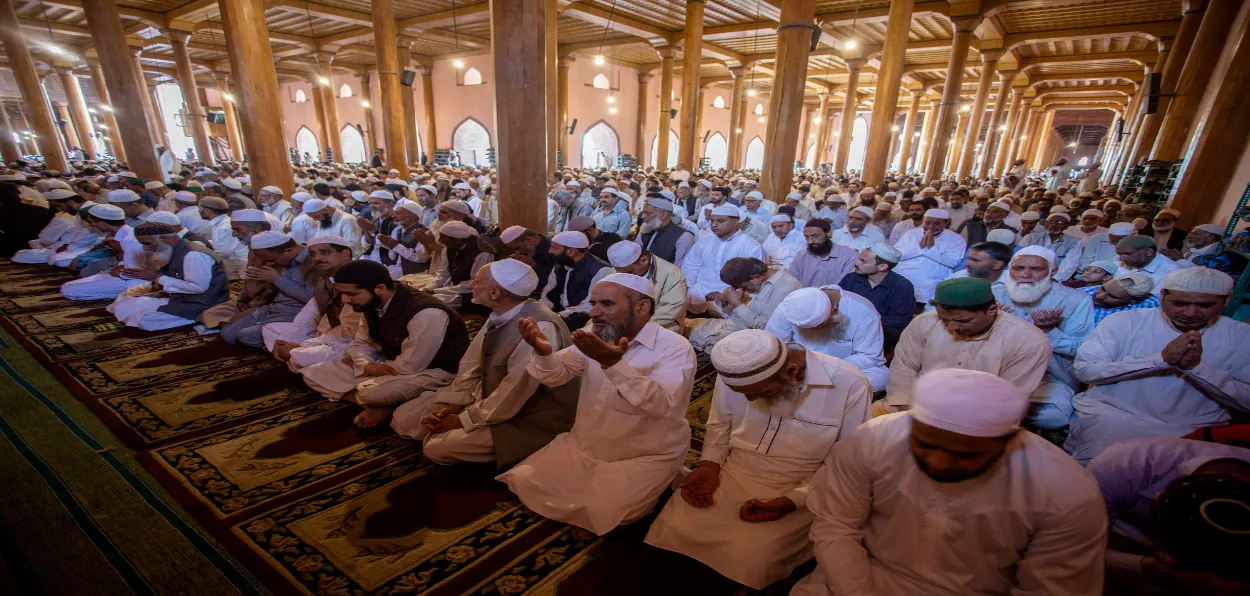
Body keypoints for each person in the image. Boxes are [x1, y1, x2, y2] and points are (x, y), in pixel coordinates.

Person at [792, 369, 1107, 596]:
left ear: (1008, 439)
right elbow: (836, 527)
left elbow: (1052, 589)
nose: (939, 462)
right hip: (861, 574)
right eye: (925, 445)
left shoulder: (1065, 492)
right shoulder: (873, 440)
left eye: (963, 454)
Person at [645, 329, 871, 589]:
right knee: (673, 528)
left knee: (750, 557)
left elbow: (843, 462)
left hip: (805, 487)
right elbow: (721, 424)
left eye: (759, 392)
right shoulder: (738, 373)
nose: (750, 399)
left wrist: (791, 501)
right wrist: (710, 465)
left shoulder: (850, 383)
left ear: (791, 372)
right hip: (733, 472)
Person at [498, 273, 697, 537]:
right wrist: (543, 352)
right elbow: (556, 376)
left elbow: (663, 406)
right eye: (593, 304)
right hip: (586, 445)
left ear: (642, 306)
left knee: (611, 513)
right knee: (523, 480)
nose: (595, 312)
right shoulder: (595, 334)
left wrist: (613, 365)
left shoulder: (675, 348)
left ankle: (662, 476)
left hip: (642, 454)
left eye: (606, 304)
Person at [391, 260, 580, 468]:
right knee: (407, 419)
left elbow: (515, 392)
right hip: (493, 399)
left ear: (494, 293)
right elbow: (473, 366)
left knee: (437, 447)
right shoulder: (500, 314)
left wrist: (463, 419)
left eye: (477, 281)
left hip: (532, 415)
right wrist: (458, 403)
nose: (471, 284)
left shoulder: (539, 326)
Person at [1065, 268, 1250, 464]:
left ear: (1227, 301)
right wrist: (1159, 360)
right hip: (1113, 417)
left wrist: (1197, 368)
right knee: (1101, 471)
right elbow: (1085, 370)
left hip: (1193, 427)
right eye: (1180, 303)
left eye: (1205, 305)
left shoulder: (1241, 336)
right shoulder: (1123, 321)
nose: (1190, 313)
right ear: (1162, 295)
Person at [296, 260, 471, 428]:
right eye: (342, 293)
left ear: (380, 288)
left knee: (371, 392)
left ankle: (379, 401)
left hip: (435, 371)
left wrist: (371, 367)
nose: (344, 300)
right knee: (313, 372)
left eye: (351, 294)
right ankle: (378, 405)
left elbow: (410, 366)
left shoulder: (426, 313)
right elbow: (361, 343)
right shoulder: (370, 303)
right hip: (391, 363)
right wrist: (366, 366)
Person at [881, 277, 1050, 414]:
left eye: (963, 320)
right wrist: (905, 411)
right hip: (917, 403)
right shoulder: (923, 323)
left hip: (980, 414)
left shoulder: (1029, 341)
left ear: (992, 309)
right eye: (944, 319)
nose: (952, 327)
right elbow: (904, 368)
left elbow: (1010, 398)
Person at [992, 246, 1094, 429]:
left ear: (1053, 272)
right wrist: (992, 325)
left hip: (1048, 374)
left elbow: (1082, 348)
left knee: (1053, 418)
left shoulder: (1075, 300)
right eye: (1018, 268)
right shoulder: (994, 293)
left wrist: (1048, 331)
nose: (1025, 274)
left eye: (1036, 269)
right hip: (995, 369)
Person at [105, 222, 230, 330]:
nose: (146, 248)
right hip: (181, 298)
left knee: (143, 320)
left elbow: (198, 288)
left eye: (147, 243)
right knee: (121, 306)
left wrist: (157, 277)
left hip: (203, 303)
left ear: (164, 239)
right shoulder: (171, 250)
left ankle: (203, 317)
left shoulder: (194, 255)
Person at [262, 234, 361, 369]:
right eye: (313, 254)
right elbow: (309, 313)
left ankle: (302, 360)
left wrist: (302, 346)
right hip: (327, 334)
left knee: (301, 356)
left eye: (324, 252)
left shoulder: (360, 280)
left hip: (352, 340)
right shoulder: (325, 280)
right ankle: (302, 359)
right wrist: (283, 341)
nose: (317, 258)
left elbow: (351, 331)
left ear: (345, 254)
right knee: (270, 329)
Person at [765, 286, 888, 392]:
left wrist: (825, 368)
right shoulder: (789, 307)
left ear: (834, 311)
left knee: (881, 377)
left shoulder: (863, 312)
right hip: (798, 367)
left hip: (841, 369)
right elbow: (774, 345)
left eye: (816, 327)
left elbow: (869, 357)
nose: (811, 331)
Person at [220, 232, 318, 347]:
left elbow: (310, 297)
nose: (268, 263)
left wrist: (276, 278)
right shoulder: (282, 259)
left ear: (287, 251)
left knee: (245, 336)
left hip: (295, 313)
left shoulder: (314, 261)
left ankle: (288, 344)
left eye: (271, 259)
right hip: (273, 308)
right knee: (227, 334)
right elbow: (272, 290)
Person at [688, 257, 802, 351]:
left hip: (757, 338)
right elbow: (735, 314)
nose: (743, 290)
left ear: (757, 277)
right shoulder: (761, 279)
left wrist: (737, 304)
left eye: (744, 286)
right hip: (737, 326)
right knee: (686, 324)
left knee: (692, 334)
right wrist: (727, 302)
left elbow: (765, 328)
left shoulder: (785, 288)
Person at [681, 205, 764, 314]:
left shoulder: (751, 246)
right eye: (712, 221)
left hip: (730, 297)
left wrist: (724, 295)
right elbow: (690, 267)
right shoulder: (704, 242)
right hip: (697, 293)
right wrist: (688, 291)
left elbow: (752, 281)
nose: (714, 225)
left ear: (735, 222)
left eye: (720, 221)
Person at [838, 243, 914, 353]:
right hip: (847, 329)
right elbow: (837, 304)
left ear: (882, 266)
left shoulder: (902, 286)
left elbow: (899, 320)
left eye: (863, 261)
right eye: (858, 259)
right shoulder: (851, 279)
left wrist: (865, 322)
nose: (856, 263)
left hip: (880, 335)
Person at [606, 241, 686, 332]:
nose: (625, 277)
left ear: (644, 260)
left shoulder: (672, 274)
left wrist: (634, 324)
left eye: (630, 272)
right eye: (620, 273)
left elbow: (671, 311)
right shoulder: (618, 271)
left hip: (660, 325)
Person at [892, 208, 966, 305]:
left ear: (946, 223)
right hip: (903, 276)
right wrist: (920, 247)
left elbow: (952, 262)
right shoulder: (911, 234)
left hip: (931, 282)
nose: (930, 227)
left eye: (936, 224)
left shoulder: (956, 238)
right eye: (927, 223)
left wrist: (932, 247)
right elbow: (896, 255)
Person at [542, 230, 611, 330]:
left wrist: (559, 316)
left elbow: (590, 305)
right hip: (557, 313)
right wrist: (544, 311)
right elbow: (548, 291)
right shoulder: (560, 264)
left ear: (571, 251)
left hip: (581, 319)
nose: (550, 251)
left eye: (554, 248)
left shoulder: (601, 270)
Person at [787, 218, 860, 289]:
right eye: (807, 237)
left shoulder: (849, 256)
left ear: (829, 233)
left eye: (815, 236)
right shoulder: (801, 256)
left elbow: (846, 286)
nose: (810, 241)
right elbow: (792, 284)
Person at [1021, 211, 1082, 282]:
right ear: (1046, 224)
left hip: (1057, 279)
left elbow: (1070, 264)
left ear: (1066, 226)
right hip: (1029, 276)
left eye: (1059, 222)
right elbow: (1019, 258)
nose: (1054, 225)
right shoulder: (1030, 238)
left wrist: (1055, 279)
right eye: (1051, 222)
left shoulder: (1074, 242)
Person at [634, 197, 695, 267]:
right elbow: (635, 254)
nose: (642, 217)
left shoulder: (684, 237)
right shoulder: (645, 228)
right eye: (643, 213)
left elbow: (680, 268)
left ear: (663, 215)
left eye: (648, 214)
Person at [1080, 271, 1159, 325]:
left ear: (1133, 300)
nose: (1099, 296)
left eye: (1112, 296)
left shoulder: (1152, 306)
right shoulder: (1080, 294)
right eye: (1103, 288)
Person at [499, 225, 555, 299]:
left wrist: (533, 265)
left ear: (528, 240)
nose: (517, 252)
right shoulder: (529, 248)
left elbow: (555, 281)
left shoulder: (553, 249)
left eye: (517, 248)